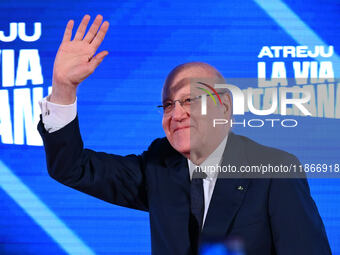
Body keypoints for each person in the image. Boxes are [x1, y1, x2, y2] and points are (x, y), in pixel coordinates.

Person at [38, 14, 331, 255]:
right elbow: (71, 168)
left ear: (224, 107)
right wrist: (64, 87)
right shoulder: (159, 166)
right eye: (168, 104)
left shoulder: (273, 171)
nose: (176, 113)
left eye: (190, 100)